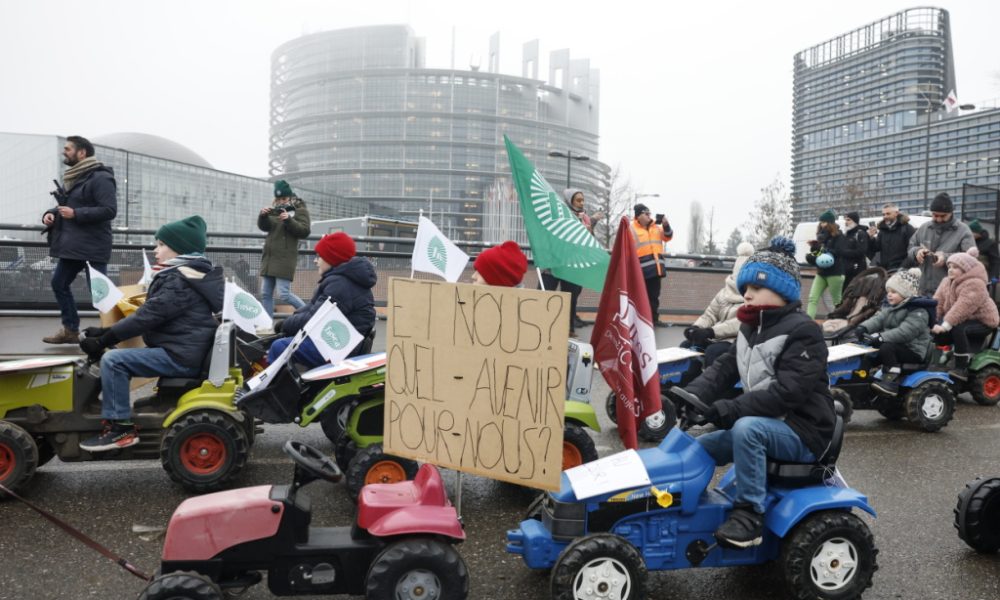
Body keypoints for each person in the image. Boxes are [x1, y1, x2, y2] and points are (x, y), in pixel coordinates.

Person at [682, 236, 836, 549]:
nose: (746, 294)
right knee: (702, 445)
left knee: (746, 429)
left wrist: (733, 408)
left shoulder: (803, 332)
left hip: (803, 431)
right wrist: (690, 395)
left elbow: (788, 392)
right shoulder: (750, 328)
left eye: (755, 287)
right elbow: (723, 369)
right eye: (744, 288)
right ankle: (679, 503)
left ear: (782, 291)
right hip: (769, 424)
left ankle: (749, 516)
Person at [78, 216, 223, 451]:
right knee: (115, 356)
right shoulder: (187, 275)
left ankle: (120, 429)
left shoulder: (179, 280)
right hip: (184, 350)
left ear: (180, 248)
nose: (156, 250)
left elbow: (148, 317)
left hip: (180, 356)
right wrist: (105, 332)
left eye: (161, 244)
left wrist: (105, 339)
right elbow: (151, 313)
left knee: (114, 360)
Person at [41, 136, 118, 344]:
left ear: (82, 152)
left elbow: (109, 210)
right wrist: (49, 214)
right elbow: (64, 205)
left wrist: (76, 213)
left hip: (93, 246)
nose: (63, 152)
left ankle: (113, 335)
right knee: (59, 283)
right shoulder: (74, 177)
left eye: (68, 149)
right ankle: (70, 330)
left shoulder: (101, 178)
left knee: (100, 294)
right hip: (73, 247)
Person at [266, 232, 376, 369]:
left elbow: (314, 319)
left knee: (279, 346)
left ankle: (274, 389)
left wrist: (285, 325)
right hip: (338, 343)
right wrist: (289, 323)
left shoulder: (340, 285)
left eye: (319, 256)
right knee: (282, 340)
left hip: (336, 348)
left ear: (332, 259)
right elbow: (312, 308)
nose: (315, 261)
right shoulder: (343, 279)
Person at [853, 268, 935, 396]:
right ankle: (860, 378)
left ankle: (892, 381)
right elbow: (878, 319)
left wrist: (881, 337)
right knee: (867, 354)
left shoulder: (919, 311)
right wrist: (863, 328)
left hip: (913, 351)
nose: (889, 295)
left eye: (894, 292)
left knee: (886, 347)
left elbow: (905, 332)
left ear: (906, 293)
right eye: (888, 291)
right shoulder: (891, 307)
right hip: (896, 347)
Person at [681, 242, 754, 366]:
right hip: (716, 336)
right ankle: (686, 380)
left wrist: (711, 332)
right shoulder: (724, 292)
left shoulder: (753, 295)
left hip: (737, 342)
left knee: (713, 352)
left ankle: (712, 384)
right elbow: (710, 315)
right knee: (686, 345)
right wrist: (696, 328)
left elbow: (740, 324)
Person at [932, 251, 1000, 381]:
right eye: (949, 266)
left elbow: (962, 308)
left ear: (966, 270)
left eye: (956, 267)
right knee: (939, 334)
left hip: (983, 321)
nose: (951, 270)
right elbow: (938, 301)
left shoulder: (975, 284)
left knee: (959, 328)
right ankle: (935, 361)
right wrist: (933, 321)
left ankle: (961, 367)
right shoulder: (946, 282)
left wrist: (945, 325)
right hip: (962, 319)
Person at [540, 189, 600, 335]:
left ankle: (568, 330)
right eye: (578, 200)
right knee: (544, 295)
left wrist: (587, 230)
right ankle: (540, 327)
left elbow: (589, 241)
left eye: (582, 200)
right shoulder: (558, 214)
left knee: (570, 298)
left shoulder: (585, 218)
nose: (581, 203)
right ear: (569, 200)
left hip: (573, 264)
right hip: (553, 262)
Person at [258, 180, 311, 319]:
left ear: (290, 197)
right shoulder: (274, 210)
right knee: (265, 293)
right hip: (270, 258)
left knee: (284, 294)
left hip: (285, 259)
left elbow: (304, 231)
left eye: (284, 198)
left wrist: (289, 220)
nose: (281, 201)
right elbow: (265, 227)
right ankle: (267, 325)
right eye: (279, 199)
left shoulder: (300, 210)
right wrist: (263, 216)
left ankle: (309, 315)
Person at [908, 192, 975, 296]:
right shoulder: (924, 228)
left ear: (951, 213)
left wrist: (947, 258)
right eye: (935, 215)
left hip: (950, 292)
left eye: (943, 216)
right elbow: (911, 247)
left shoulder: (963, 230)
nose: (938, 219)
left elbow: (970, 258)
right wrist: (917, 252)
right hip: (923, 289)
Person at [805, 209, 856, 318]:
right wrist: (814, 247)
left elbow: (839, 252)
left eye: (824, 222)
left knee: (836, 301)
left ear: (830, 223)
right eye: (821, 222)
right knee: (812, 298)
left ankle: (839, 322)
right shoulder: (821, 236)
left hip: (835, 272)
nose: (822, 224)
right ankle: (808, 322)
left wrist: (823, 249)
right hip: (821, 272)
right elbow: (818, 253)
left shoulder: (839, 236)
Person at [631, 203, 673, 326]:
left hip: (656, 268)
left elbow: (668, 237)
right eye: (646, 213)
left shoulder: (656, 227)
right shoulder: (631, 228)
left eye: (650, 213)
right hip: (640, 270)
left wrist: (666, 225)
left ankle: (653, 320)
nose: (649, 216)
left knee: (654, 296)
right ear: (638, 216)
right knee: (640, 297)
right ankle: (640, 320)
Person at [867, 203, 915, 271]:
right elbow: (877, 248)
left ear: (896, 213)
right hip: (885, 271)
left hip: (901, 271)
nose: (885, 216)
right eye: (883, 214)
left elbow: (913, 250)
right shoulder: (883, 230)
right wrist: (871, 238)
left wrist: (902, 267)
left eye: (888, 214)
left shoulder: (907, 229)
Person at [841, 211, 869, 288]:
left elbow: (861, 251)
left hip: (857, 270)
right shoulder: (846, 234)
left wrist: (843, 252)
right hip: (846, 270)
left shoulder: (860, 233)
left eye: (848, 220)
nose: (846, 222)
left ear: (855, 221)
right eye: (845, 220)